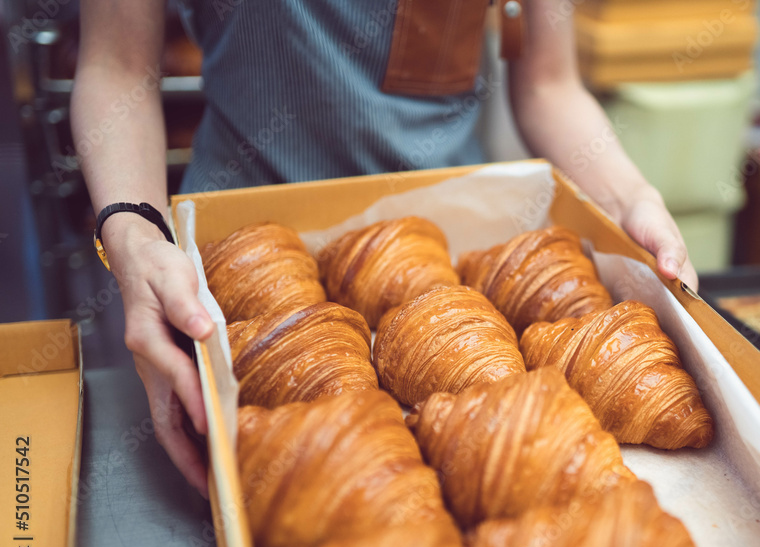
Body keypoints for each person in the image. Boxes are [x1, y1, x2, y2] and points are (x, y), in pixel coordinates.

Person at [71, 0, 697, 498]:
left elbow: (549, 84)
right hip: (240, 276)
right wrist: (134, 234)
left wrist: (626, 198)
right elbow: (116, 68)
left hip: (454, 263)